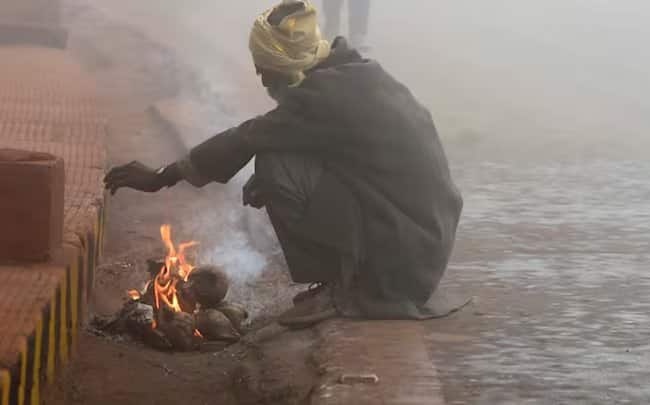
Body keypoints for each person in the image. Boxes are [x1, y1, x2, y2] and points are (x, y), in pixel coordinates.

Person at [104, 0, 463, 329]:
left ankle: (346, 290)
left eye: (265, 73)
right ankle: (345, 278)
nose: (263, 82)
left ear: (287, 70)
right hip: (418, 243)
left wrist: (160, 177)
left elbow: (248, 137)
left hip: (403, 258)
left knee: (274, 161)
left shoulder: (326, 96)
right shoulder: (350, 74)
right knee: (277, 162)